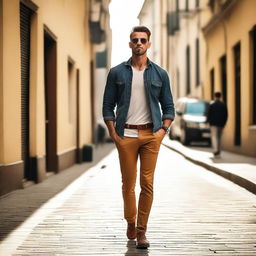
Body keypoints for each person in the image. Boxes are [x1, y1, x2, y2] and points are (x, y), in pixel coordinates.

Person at [102, 26, 175, 249]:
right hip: (126, 135)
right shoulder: (117, 72)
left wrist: (163, 131)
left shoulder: (160, 74)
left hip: (151, 135)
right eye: (135, 40)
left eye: (143, 40)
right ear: (130, 43)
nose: (139, 43)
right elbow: (107, 105)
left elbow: (169, 106)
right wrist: (113, 132)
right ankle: (131, 222)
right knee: (128, 184)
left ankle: (142, 231)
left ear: (149, 44)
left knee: (147, 184)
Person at [207, 92, 228, 157]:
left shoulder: (212, 104)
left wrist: (209, 122)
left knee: (214, 137)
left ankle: (216, 150)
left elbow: (209, 115)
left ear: (215, 96)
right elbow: (226, 115)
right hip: (221, 124)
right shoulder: (223, 105)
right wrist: (224, 123)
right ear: (220, 96)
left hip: (213, 124)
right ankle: (218, 150)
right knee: (219, 137)